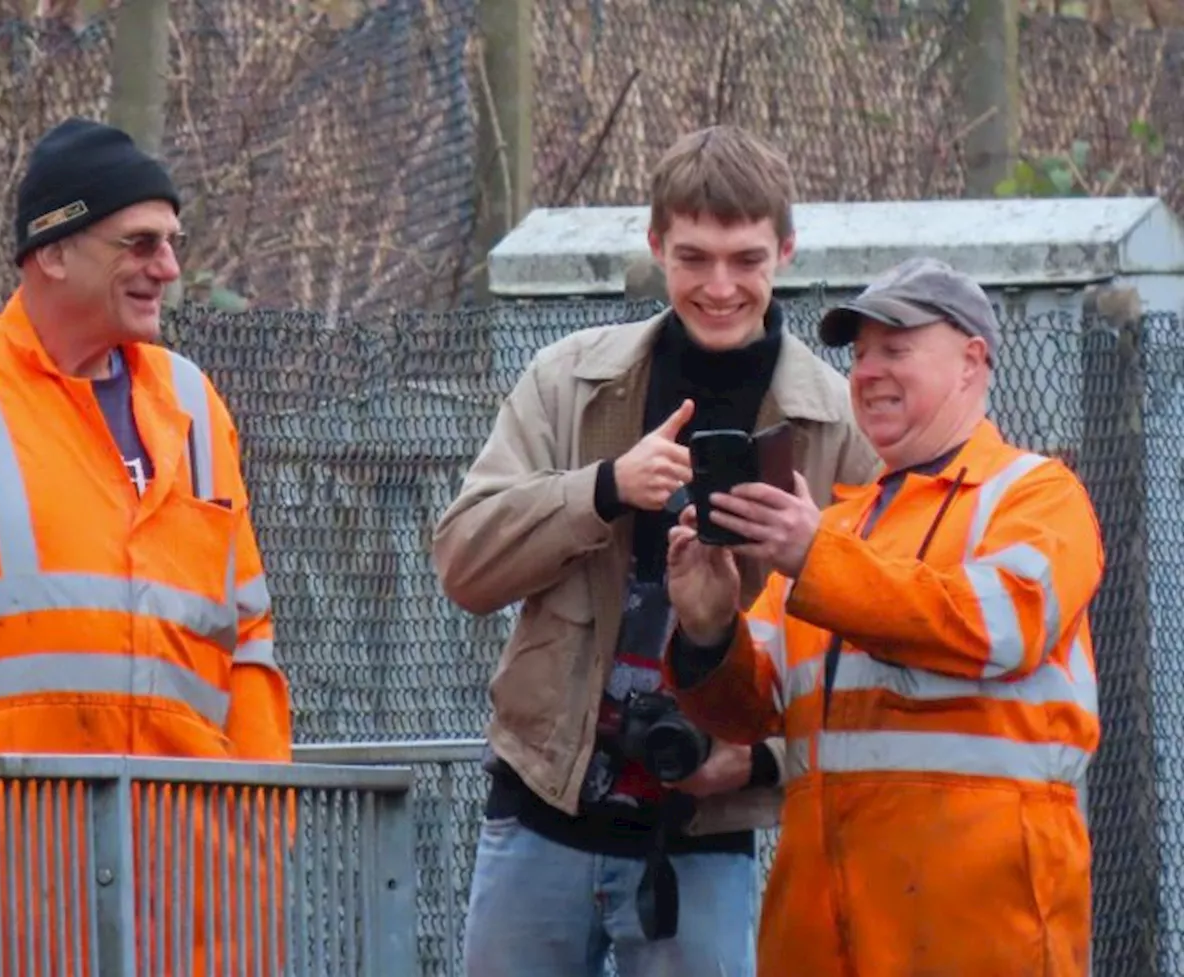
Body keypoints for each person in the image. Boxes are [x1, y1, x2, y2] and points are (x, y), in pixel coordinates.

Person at [432, 125, 878, 977]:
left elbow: (875, 653)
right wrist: (602, 488)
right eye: (694, 257)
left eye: (746, 259)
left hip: (707, 834)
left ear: (785, 249)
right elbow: (463, 562)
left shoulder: (838, 425)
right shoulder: (568, 379)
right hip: (539, 809)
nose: (720, 286)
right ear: (655, 247)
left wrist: (760, 759)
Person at [0, 117, 291, 969]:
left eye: (173, 242)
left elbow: (248, 638)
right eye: (140, 242)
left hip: (186, 884)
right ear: (52, 251)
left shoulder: (193, 402)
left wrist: (263, 818)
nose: (169, 267)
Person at [663, 256, 1103, 977]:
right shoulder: (837, 529)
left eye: (896, 349)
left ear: (972, 362)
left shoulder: (1036, 496)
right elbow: (745, 714)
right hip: (822, 940)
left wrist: (811, 556)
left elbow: (995, 627)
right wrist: (709, 627)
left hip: (981, 936)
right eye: (861, 354)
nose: (867, 372)